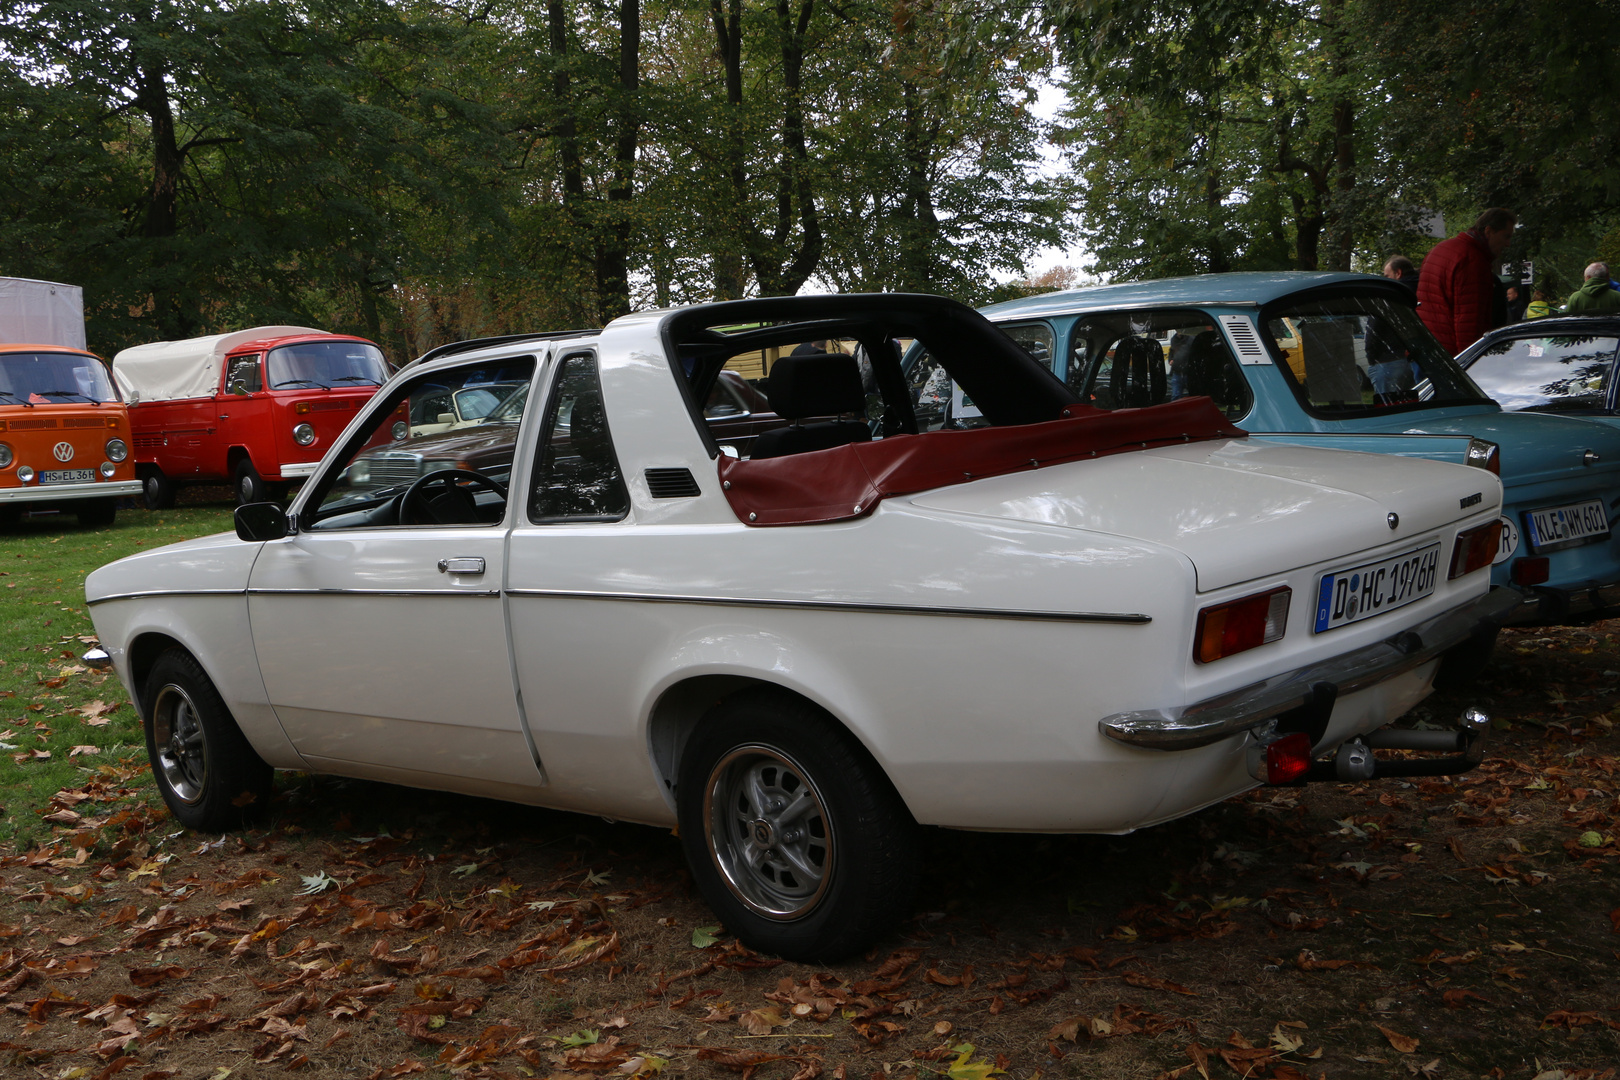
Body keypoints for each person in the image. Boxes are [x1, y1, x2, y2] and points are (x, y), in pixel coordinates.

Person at [1415, 208, 1517, 354]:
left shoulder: (1440, 249)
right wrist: (1471, 362)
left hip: (1426, 349)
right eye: (1506, 236)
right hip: (1451, 356)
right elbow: (1469, 322)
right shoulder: (1473, 261)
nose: (1508, 244)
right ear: (1488, 231)